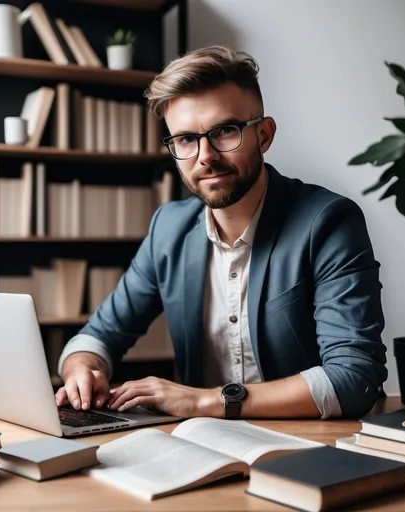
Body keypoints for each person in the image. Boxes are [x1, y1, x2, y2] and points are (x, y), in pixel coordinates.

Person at [55, 45, 387, 420]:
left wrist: (203, 401)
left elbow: (354, 378)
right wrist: (82, 369)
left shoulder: (328, 222)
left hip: (308, 447)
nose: (205, 156)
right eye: (185, 139)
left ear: (264, 135)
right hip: (204, 447)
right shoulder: (169, 228)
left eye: (225, 131)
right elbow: (99, 335)